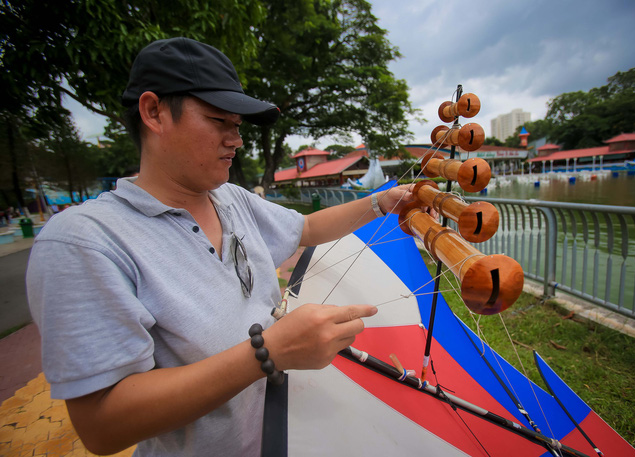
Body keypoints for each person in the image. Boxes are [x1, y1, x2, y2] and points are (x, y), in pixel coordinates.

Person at [26, 37, 415, 456]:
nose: (237, 139)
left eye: (238, 125)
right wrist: (269, 351)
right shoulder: (85, 243)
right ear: (153, 112)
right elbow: (102, 426)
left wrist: (380, 203)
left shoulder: (230, 197)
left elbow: (303, 228)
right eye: (218, 121)